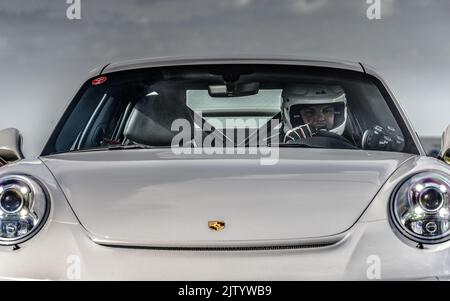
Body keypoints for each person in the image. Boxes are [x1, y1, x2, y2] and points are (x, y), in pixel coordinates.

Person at [280, 84, 348, 143]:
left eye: (327, 111)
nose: (320, 118)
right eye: (309, 112)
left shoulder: (355, 143)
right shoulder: (274, 147)